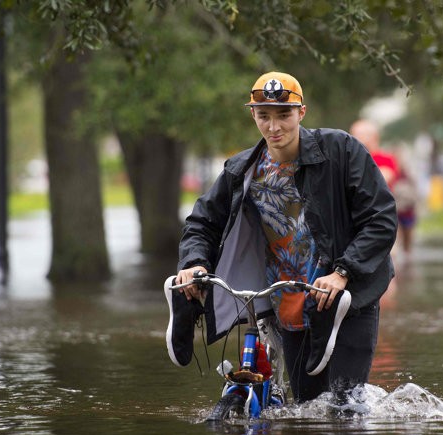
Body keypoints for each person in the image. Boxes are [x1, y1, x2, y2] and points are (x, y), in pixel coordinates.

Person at [165, 71, 397, 405]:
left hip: (348, 299)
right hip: (288, 303)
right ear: (253, 115)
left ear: (301, 112)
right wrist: (194, 263)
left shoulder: (341, 150)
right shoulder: (241, 169)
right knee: (307, 408)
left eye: (284, 115)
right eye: (264, 116)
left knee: (347, 408)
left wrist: (343, 271)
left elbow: (381, 216)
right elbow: (202, 222)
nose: (274, 127)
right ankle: (186, 304)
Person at [350, 119, 418, 257]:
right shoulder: (349, 160)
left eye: (363, 135)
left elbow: (384, 178)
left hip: (383, 218)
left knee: (390, 258)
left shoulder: (386, 159)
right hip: (357, 220)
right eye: (355, 134)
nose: (357, 139)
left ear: (375, 137)